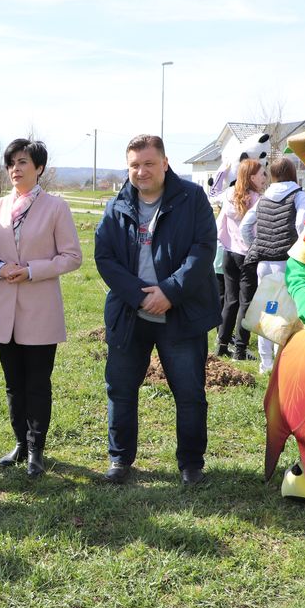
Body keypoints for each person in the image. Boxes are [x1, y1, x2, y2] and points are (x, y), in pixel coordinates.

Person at [94, 134, 221, 486]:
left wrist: (169, 291)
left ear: (165, 163)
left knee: (189, 392)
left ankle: (191, 464)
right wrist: (139, 295)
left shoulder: (192, 198)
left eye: (149, 163)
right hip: (130, 314)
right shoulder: (117, 204)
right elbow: (104, 256)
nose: (141, 171)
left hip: (180, 313)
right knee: (120, 389)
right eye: (134, 165)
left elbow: (203, 250)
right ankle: (120, 460)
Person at [0, 139, 82, 477]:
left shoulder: (56, 208)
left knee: (37, 381)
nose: (15, 169)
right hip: (4, 307)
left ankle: (37, 449)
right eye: (11, 164)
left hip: (40, 308)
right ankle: (20, 443)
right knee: (12, 382)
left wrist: (33, 270)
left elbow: (72, 257)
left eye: (23, 162)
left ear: (39, 168)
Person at [241, 157, 305, 373]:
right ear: (293, 173)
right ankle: (286, 361)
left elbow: (245, 227)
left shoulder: (262, 199)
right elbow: (301, 224)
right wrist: (304, 253)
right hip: (288, 263)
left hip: (265, 265)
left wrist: (256, 246)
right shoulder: (300, 196)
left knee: (268, 310)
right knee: (290, 312)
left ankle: (265, 364)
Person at [215, 159, 267, 360]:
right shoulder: (257, 200)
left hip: (228, 253)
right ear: (252, 176)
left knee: (230, 300)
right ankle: (240, 349)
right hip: (247, 255)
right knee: (246, 303)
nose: (264, 178)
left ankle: (221, 344)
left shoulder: (229, 195)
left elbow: (220, 224)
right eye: (262, 174)